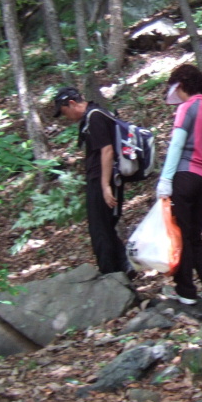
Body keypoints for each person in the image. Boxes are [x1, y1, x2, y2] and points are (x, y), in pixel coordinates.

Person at [156, 64, 202, 305]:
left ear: (182, 85)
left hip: (184, 176)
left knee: (181, 235)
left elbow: (176, 145)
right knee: (195, 235)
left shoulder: (187, 108)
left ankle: (186, 291)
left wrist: (165, 179)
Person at [52, 87, 133, 276]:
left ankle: (110, 274)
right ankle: (124, 266)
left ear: (72, 103)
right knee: (104, 226)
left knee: (99, 229)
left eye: (65, 112)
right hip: (104, 178)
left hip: (102, 179)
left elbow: (107, 151)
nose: (67, 117)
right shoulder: (96, 114)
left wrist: (105, 186)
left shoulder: (95, 117)